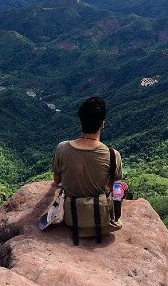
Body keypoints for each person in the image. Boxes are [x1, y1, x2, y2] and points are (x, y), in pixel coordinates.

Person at [52, 96, 123, 244]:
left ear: (81, 120)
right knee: (122, 186)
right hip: (101, 216)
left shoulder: (62, 148)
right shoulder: (113, 155)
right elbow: (114, 187)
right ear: (102, 123)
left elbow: (57, 181)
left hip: (72, 218)